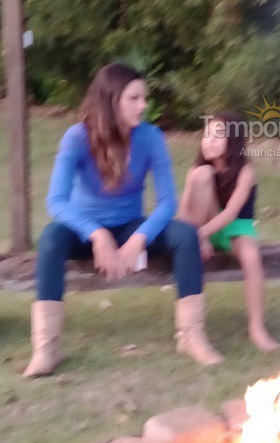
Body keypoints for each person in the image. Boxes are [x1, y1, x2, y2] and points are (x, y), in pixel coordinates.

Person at [24, 63, 222, 378]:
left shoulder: (151, 137)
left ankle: (191, 336)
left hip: (130, 226)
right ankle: (46, 348)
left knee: (185, 235)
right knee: (50, 240)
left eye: (144, 98)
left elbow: (168, 201)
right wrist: (98, 235)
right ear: (111, 99)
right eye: (134, 98)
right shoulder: (77, 138)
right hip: (83, 231)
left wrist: (139, 239)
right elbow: (56, 201)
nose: (143, 105)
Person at [176, 112, 280, 352]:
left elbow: (231, 213)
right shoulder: (199, 169)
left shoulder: (245, 171)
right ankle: (191, 328)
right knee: (202, 175)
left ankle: (257, 328)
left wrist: (200, 235)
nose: (209, 141)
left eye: (218, 136)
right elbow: (185, 210)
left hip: (235, 227)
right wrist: (193, 237)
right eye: (206, 135)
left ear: (233, 141)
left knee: (252, 257)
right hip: (204, 223)